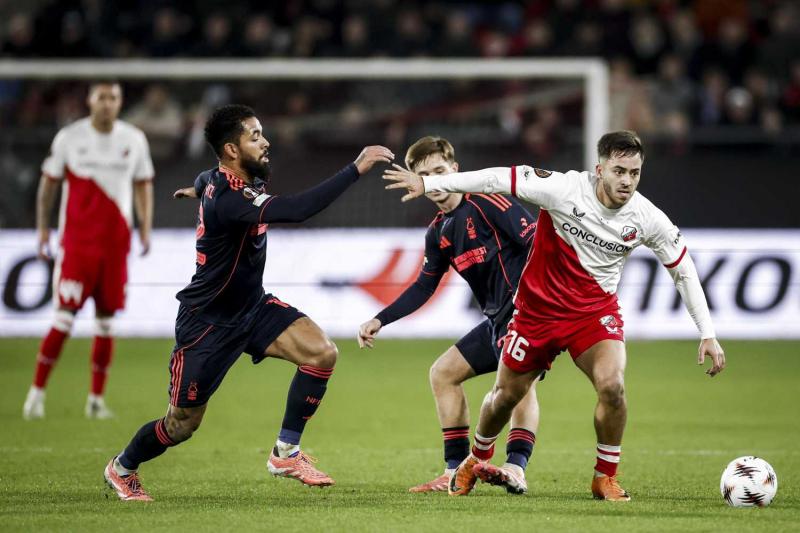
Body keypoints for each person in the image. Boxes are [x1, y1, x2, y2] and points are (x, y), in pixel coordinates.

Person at [384, 130, 726, 500]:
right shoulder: (563, 189)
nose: (627, 181)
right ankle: (475, 459)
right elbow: (496, 178)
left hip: (593, 313)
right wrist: (430, 183)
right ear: (600, 170)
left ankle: (604, 477)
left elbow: (683, 270)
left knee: (612, 386)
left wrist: (707, 333)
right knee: (505, 396)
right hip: (537, 312)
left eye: (634, 173)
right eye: (619, 171)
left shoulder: (648, 217)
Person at [103, 104, 393, 501]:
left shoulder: (219, 180)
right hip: (207, 323)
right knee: (181, 424)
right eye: (255, 137)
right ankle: (122, 467)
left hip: (252, 308)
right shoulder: (230, 198)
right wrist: (355, 168)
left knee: (321, 352)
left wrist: (197, 190)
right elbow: (298, 210)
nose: (265, 142)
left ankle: (285, 452)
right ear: (231, 150)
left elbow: (205, 177)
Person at [358, 136, 540, 494]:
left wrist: (535, 300)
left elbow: (536, 243)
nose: (435, 181)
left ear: (455, 169)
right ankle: (454, 471)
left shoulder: (489, 202)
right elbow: (424, 286)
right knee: (443, 373)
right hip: (495, 321)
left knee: (518, 385)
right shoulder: (438, 231)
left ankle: (516, 467)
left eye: (440, 171)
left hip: (527, 314)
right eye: (425, 176)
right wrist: (381, 319)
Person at [23, 81, 154, 420]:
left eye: (113, 98)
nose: (107, 103)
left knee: (106, 323)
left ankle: (96, 401)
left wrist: (145, 226)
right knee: (64, 318)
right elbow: (48, 184)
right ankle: (36, 394)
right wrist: (42, 228)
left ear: (120, 102)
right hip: (78, 246)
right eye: (101, 97)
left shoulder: (133, 139)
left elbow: (143, 184)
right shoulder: (69, 138)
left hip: (115, 247)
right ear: (90, 101)